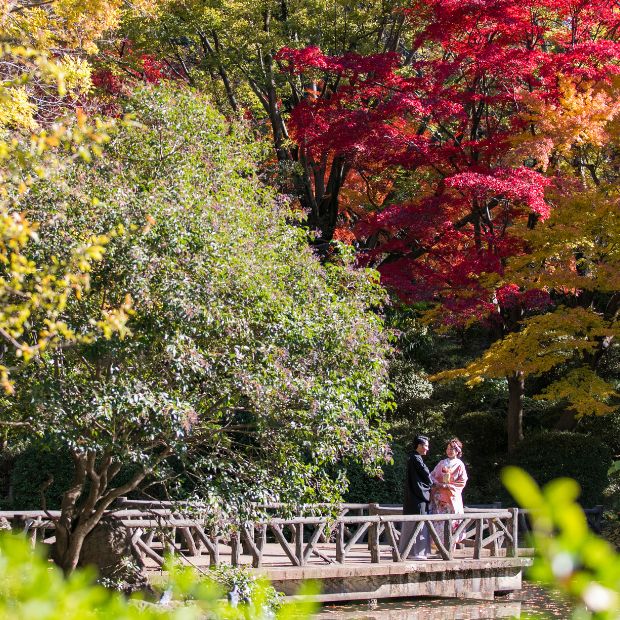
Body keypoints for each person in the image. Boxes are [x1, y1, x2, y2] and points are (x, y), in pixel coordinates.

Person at [398, 435, 433, 559]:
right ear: (419, 445)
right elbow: (427, 476)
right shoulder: (416, 459)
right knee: (419, 524)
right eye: (426, 446)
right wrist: (432, 484)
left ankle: (406, 551)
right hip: (418, 496)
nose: (427, 449)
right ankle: (416, 552)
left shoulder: (412, 458)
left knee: (411, 524)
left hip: (412, 496)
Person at [430, 438, 468, 542]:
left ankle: (451, 547)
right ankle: (439, 548)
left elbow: (463, 480)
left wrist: (449, 486)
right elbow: (432, 475)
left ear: (457, 451)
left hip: (452, 497)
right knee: (439, 522)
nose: (450, 451)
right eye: (448, 448)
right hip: (439, 497)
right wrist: (438, 484)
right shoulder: (442, 462)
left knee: (452, 522)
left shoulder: (460, 464)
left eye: (452, 449)